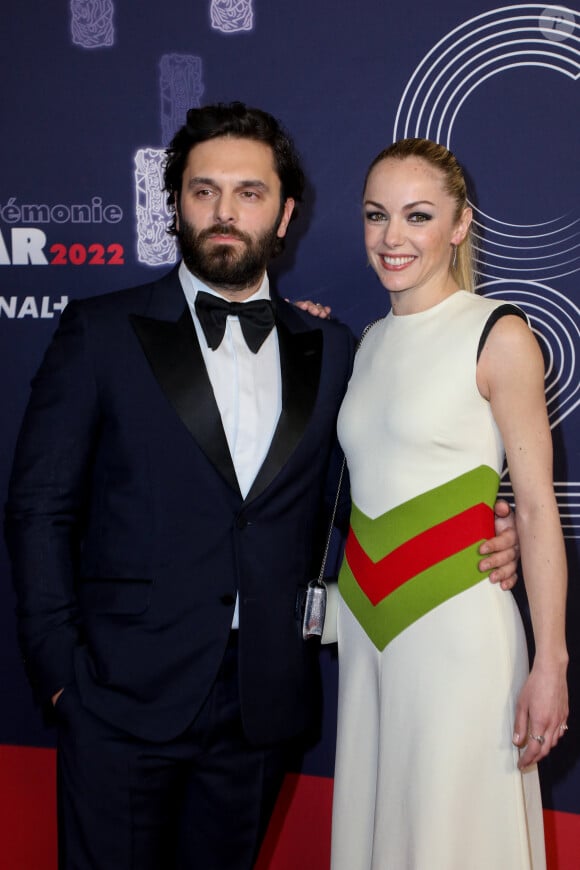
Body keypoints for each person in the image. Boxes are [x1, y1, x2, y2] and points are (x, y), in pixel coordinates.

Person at [5, 105, 519, 870]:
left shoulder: (334, 347)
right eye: (204, 190)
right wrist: (61, 682)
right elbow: (38, 508)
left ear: (284, 215)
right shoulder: (100, 332)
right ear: (175, 203)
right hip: (118, 702)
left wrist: (489, 524)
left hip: (259, 706)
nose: (224, 211)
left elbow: (379, 481)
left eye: (249, 193)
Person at [331, 138, 569, 869]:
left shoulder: (499, 334)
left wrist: (552, 661)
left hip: (456, 634)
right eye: (377, 216)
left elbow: (533, 510)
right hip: (368, 636)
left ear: (461, 224)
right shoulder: (366, 341)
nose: (392, 238)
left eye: (418, 215)